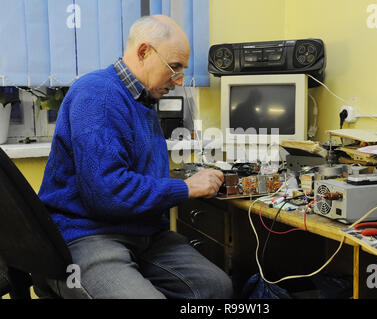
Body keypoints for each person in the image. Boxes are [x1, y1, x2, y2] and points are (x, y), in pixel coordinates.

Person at [38, 15, 233, 299]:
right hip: (86, 235)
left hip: (142, 233)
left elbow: (137, 173)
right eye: (174, 67)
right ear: (144, 52)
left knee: (217, 288)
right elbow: (107, 192)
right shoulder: (98, 95)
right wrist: (186, 187)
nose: (179, 80)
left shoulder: (141, 99)